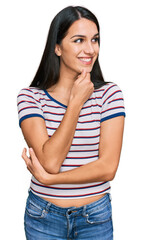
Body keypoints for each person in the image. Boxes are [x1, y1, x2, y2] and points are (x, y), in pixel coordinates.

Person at [17, 5, 125, 240]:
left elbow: (108, 168)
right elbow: (51, 162)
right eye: (78, 40)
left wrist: (51, 180)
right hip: (43, 217)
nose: (90, 49)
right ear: (57, 47)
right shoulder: (30, 97)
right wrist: (75, 104)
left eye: (95, 40)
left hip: (95, 217)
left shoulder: (109, 95)